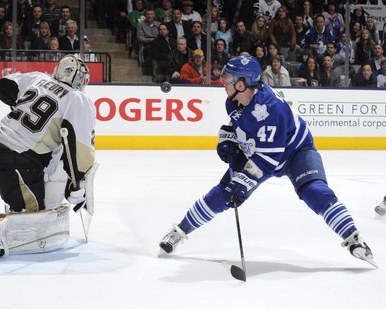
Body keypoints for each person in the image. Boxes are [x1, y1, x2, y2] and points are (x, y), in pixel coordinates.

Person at [159, 55, 376, 268]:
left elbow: (267, 161)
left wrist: (242, 182)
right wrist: (228, 139)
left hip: (296, 151)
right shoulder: (235, 100)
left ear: (242, 84)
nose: (223, 82)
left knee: (314, 190)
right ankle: (180, 231)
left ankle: (354, 239)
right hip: (264, 152)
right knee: (223, 193)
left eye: (229, 78)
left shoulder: (269, 110)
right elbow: (244, 130)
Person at [0, 54, 97, 258]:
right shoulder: (77, 99)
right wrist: (77, 187)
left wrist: (22, 109)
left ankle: (15, 208)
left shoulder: (37, 79)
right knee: (35, 213)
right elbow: (79, 148)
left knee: (46, 167)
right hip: (17, 156)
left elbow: (4, 86)